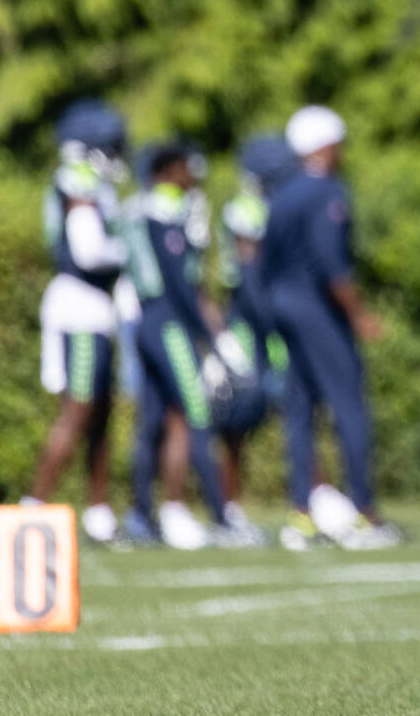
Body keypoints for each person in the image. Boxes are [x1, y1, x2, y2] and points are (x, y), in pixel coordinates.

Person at [263, 106, 400, 550]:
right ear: (324, 145)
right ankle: (363, 512)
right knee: (348, 405)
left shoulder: (282, 193)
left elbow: (264, 262)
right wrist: (359, 315)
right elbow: (331, 266)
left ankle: (302, 515)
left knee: (300, 411)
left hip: (282, 304)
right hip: (314, 306)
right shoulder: (325, 193)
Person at [122, 142, 259, 548]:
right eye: (186, 170)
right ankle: (213, 514)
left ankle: (142, 515)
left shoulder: (139, 208)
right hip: (167, 322)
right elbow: (182, 284)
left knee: (152, 419)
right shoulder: (164, 210)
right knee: (195, 413)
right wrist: (211, 335)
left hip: (148, 320)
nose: (192, 179)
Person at [25, 100, 133, 544]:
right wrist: (130, 255)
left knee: (100, 414)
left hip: (94, 310)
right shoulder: (79, 178)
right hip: (81, 309)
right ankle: (33, 506)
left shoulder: (94, 182)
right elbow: (88, 250)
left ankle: (99, 510)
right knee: (78, 410)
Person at [211, 134, 297, 507]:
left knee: (296, 406)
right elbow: (250, 275)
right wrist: (273, 320)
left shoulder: (281, 205)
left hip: (274, 315)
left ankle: (316, 499)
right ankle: (229, 506)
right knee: (238, 418)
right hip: (249, 317)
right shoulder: (244, 209)